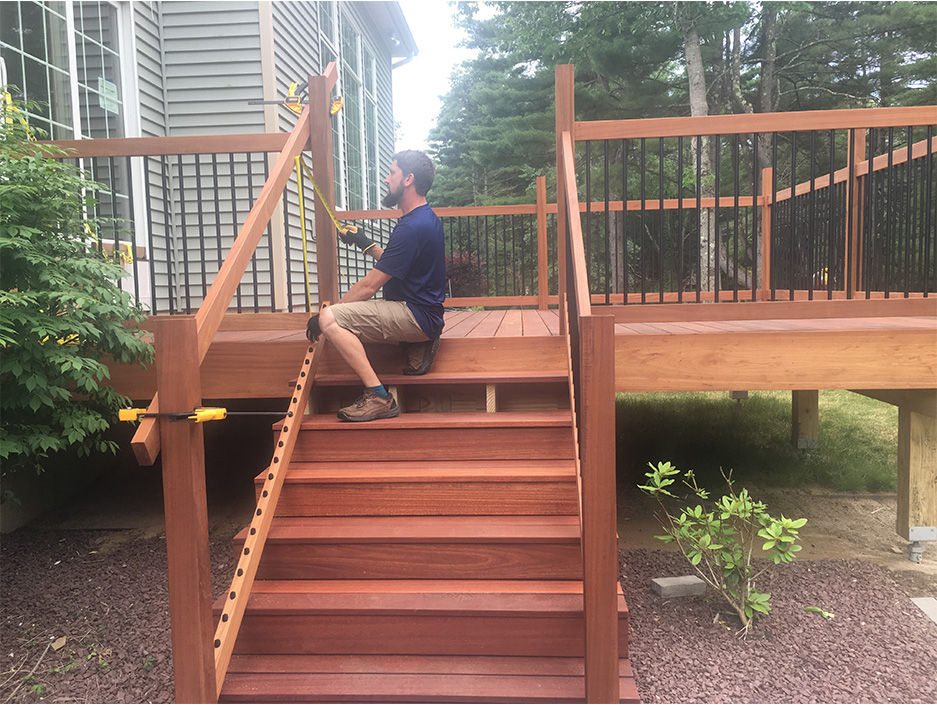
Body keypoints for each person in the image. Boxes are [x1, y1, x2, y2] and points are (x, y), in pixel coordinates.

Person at [305, 150, 445, 422]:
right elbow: (399, 264)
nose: (386, 179)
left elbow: (370, 286)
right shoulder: (425, 218)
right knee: (335, 316)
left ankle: (378, 396)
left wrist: (325, 316)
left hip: (414, 316)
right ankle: (419, 343)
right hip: (424, 313)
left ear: (408, 179)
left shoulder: (411, 227)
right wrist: (365, 243)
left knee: (332, 319)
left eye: (392, 173)